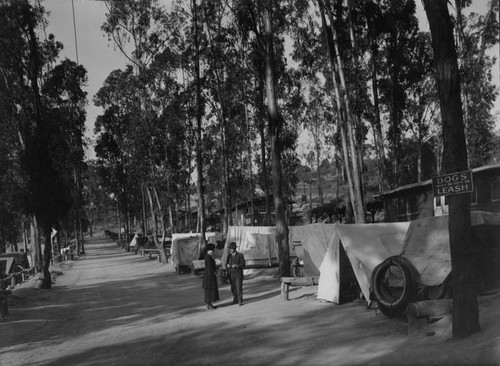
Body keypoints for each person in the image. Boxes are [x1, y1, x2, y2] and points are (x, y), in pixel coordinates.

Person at [226, 242, 246, 306]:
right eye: (230, 249)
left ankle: (240, 301)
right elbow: (226, 264)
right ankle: (235, 299)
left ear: (235, 248)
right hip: (231, 274)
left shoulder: (240, 255)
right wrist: (227, 265)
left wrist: (237, 266)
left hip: (238, 274)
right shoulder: (229, 256)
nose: (230, 250)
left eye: (231, 248)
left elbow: (243, 264)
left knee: (238, 287)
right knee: (233, 288)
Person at [202, 243, 219, 310]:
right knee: (209, 290)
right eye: (212, 249)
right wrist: (214, 273)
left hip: (209, 275)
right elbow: (209, 268)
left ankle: (209, 304)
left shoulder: (208, 256)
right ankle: (209, 304)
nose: (213, 251)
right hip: (209, 276)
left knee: (209, 291)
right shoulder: (208, 257)